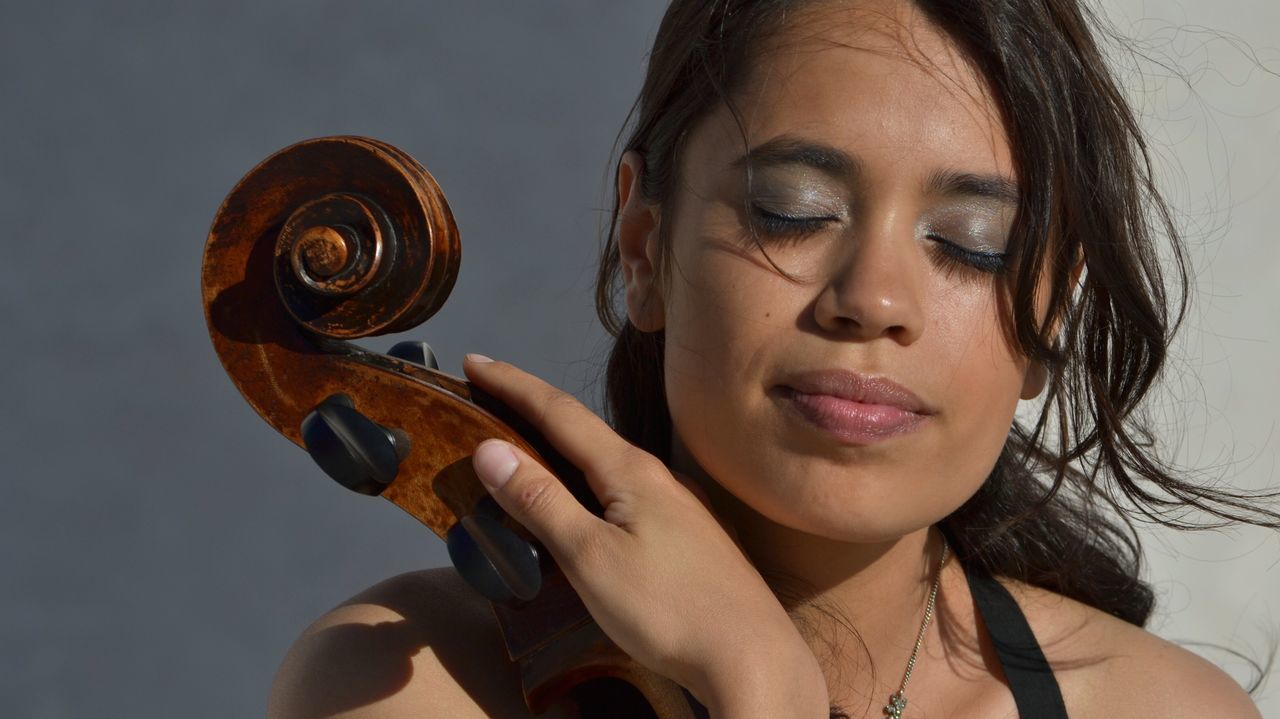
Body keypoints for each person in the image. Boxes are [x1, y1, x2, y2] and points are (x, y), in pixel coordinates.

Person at [267, 0, 1277, 716]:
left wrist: (767, 687)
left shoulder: (1163, 707)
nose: (871, 300)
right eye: (791, 212)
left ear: (1046, 318)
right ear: (642, 248)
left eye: (973, 242)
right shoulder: (412, 681)